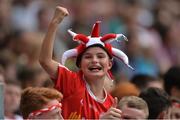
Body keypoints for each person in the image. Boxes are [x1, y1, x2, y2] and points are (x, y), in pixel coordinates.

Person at [39, 6, 133, 119]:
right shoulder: (71, 81)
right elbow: (45, 61)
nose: (94, 60)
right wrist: (54, 23)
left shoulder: (111, 104)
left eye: (100, 56)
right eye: (88, 57)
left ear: (109, 64)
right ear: (79, 65)